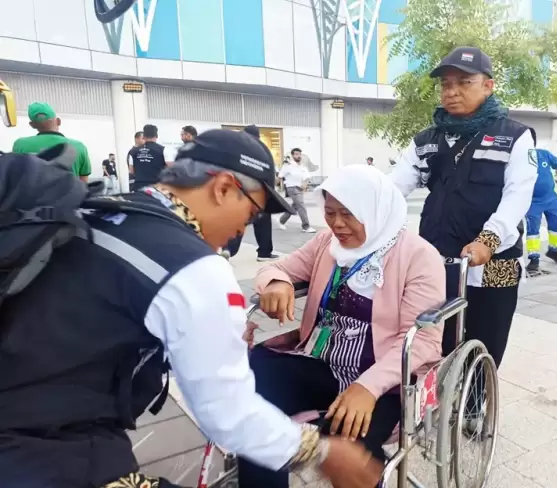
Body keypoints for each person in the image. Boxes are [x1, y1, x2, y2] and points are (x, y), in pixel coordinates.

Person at [0, 130, 383, 488]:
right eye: (249, 215)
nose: (240, 231)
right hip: (48, 449)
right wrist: (322, 453)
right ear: (222, 188)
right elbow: (227, 412)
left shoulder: (103, 211)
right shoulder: (194, 268)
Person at [238, 165, 445, 487]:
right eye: (330, 212)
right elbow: (277, 268)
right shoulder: (326, 243)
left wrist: (367, 387)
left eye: (348, 214)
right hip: (321, 361)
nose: (336, 224)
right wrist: (278, 282)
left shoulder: (419, 256)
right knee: (252, 402)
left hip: (382, 380)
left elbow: (424, 341)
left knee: (350, 445)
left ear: (374, 210)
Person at [390, 46, 537, 369]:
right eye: (445, 84)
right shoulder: (426, 139)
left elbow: (517, 196)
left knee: (485, 344)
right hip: (436, 257)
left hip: (492, 260)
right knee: (433, 340)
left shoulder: (514, 137)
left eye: (464, 82)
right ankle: (434, 406)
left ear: (488, 85)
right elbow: (394, 188)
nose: (452, 91)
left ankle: (476, 410)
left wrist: (489, 239)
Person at [224, 125, 280, 262]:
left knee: (238, 221)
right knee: (263, 223)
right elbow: (269, 171)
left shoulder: (237, 148)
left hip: (240, 191)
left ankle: (227, 249)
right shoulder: (262, 149)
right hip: (260, 192)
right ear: (258, 135)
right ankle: (264, 253)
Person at [12, 102, 92, 182]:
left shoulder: (20, 145)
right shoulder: (78, 146)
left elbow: (15, 176)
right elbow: (83, 183)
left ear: (32, 125)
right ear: (58, 121)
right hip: (68, 194)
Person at [525, 148, 557, 273]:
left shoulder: (543, 154)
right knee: (532, 230)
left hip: (552, 198)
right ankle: (534, 258)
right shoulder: (519, 155)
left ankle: (553, 251)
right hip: (532, 201)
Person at [279, 148, 316, 233]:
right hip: (292, 188)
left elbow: (307, 177)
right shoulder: (287, 166)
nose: (298, 156)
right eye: (296, 154)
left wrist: (305, 184)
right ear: (292, 155)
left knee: (295, 206)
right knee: (301, 206)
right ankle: (306, 226)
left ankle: (282, 220)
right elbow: (280, 176)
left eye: (299, 154)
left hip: (300, 188)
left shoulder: (302, 166)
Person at [128, 124, 168, 191]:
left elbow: (131, 171)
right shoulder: (163, 150)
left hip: (139, 186)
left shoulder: (133, 151)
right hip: (157, 187)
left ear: (144, 136)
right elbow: (170, 168)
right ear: (156, 136)